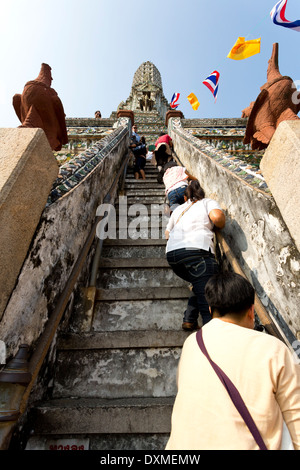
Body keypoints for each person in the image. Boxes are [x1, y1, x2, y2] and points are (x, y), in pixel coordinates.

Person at [166, 271, 300, 450]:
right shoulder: (273, 349)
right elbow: (295, 413)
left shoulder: (193, 343)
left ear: (210, 310)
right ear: (251, 311)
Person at [165, 180, 225, 330]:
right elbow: (217, 217)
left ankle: (189, 319)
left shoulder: (178, 209)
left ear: (185, 198)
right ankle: (210, 340)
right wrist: (220, 225)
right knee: (209, 303)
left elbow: (167, 234)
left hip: (173, 256)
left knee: (200, 282)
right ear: (201, 194)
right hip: (197, 252)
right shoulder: (207, 202)